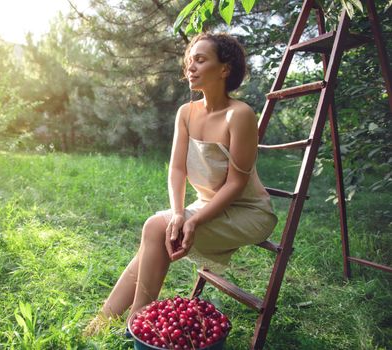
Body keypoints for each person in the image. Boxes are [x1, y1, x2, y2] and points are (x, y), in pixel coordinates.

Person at [85, 32, 278, 335]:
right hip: (206, 205)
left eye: (200, 60)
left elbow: (237, 183)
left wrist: (194, 219)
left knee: (155, 229)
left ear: (224, 69)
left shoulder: (239, 115)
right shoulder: (186, 113)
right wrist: (179, 213)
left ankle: (133, 329)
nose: (190, 67)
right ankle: (102, 323)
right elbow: (176, 169)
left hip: (247, 211)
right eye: (190, 61)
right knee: (159, 231)